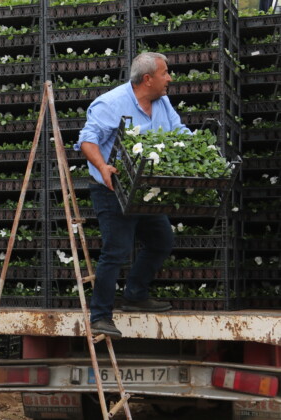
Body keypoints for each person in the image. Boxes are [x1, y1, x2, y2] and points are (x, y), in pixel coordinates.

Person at [75, 52, 186, 339]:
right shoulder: (111, 103)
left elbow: (180, 133)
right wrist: (103, 166)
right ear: (147, 79)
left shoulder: (162, 102)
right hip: (113, 188)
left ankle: (135, 294)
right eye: (165, 73)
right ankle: (100, 316)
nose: (169, 78)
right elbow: (87, 140)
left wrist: (202, 155)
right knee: (116, 250)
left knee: (162, 240)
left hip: (145, 188)